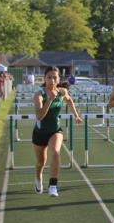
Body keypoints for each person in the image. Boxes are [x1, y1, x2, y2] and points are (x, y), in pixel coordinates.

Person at [33, 67, 83, 197]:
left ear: (59, 79)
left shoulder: (62, 91)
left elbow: (70, 101)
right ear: (45, 79)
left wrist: (76, 115)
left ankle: (53, 185)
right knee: (41, 162)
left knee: (55, 152)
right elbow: (39, 116)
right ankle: (38, 176)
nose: (52, 80)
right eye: (49, 77)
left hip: (55, 130)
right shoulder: (39, 95)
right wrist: (50, 99)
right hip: (40, 132)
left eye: (55, 77)